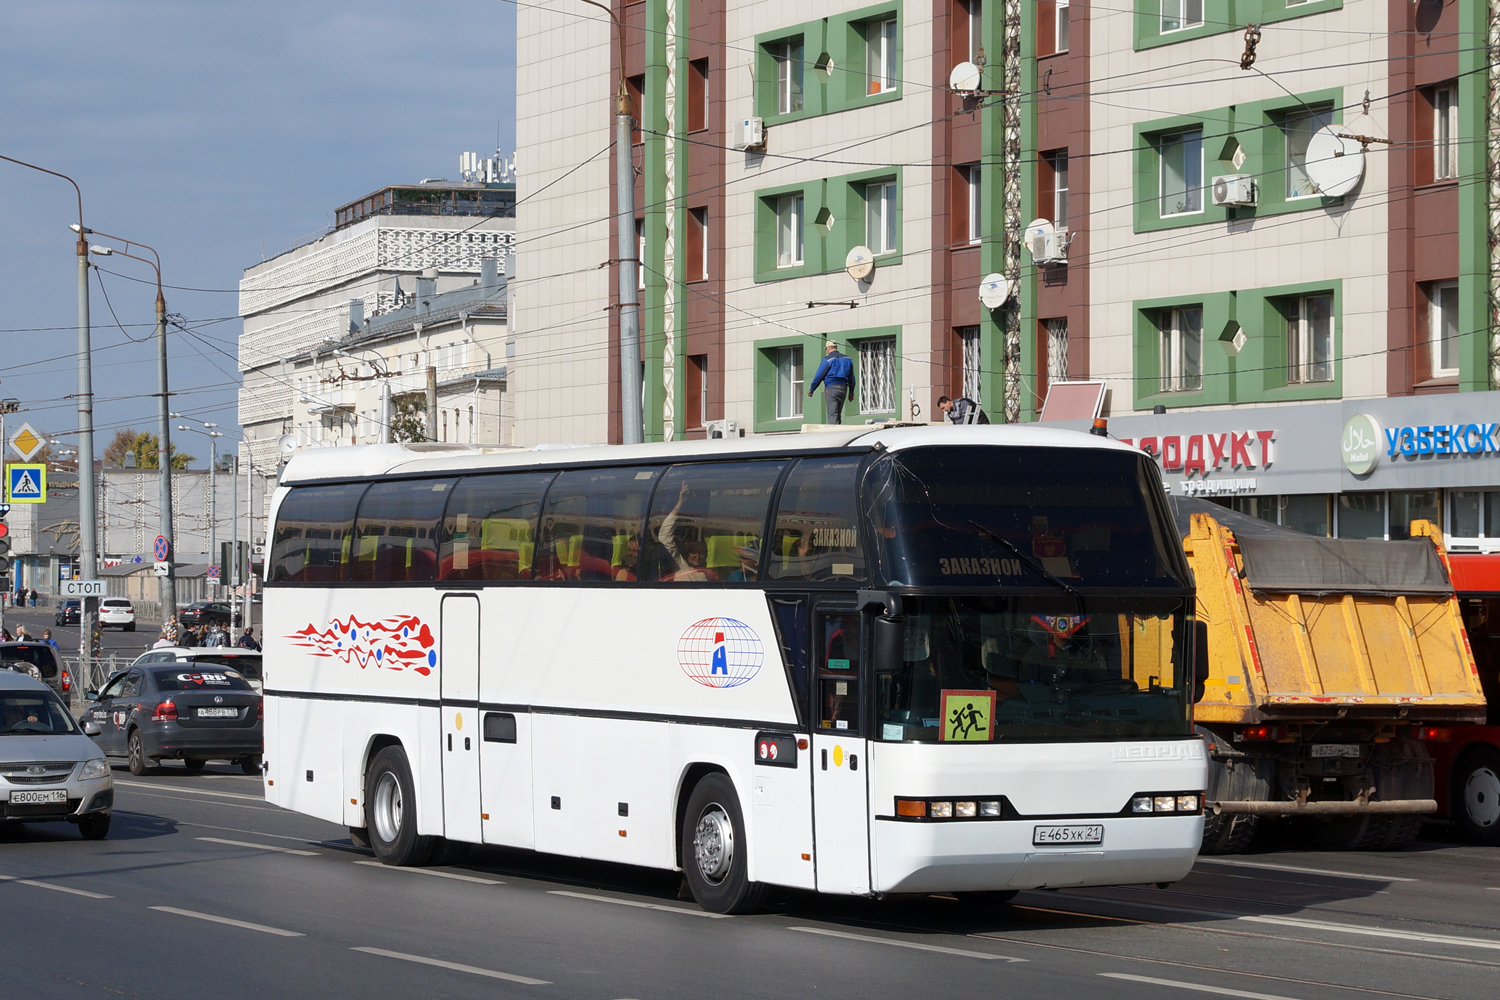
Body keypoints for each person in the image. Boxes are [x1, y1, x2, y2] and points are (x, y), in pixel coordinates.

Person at [658, 481, 712, 582]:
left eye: (701, 553)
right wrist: (680, 503)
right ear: (687, 554)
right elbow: (664, 535)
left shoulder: (712, 575)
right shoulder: (683, 567)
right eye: (693, 553)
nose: (697, 556)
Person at [806, 341, 854, 425]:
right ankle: (839, 431)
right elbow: (852, 377)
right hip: (843, 388)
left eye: (827, 349)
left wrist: (812, 389)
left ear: (828, 348)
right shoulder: (848, 359)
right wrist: (851, 392)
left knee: (832, 414)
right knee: (838, 414)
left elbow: (819, 376)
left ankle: (834, 434)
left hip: (831, 388)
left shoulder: (827, 360)